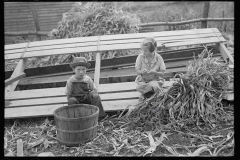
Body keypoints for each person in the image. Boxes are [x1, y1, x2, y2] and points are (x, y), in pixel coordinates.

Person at [135, 37, 166, 101]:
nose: (143, 52)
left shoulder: (158, 58)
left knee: (154, 85)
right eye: (142, 50)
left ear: (152, 50)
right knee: (140, 86)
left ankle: (147, 94)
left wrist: (154, 72)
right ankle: (150, 93)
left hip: (155, 80)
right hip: (143, 81)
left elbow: (162, 74)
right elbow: (137, 71)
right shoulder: (140, 57)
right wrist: (142, 72)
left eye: (145, 51)